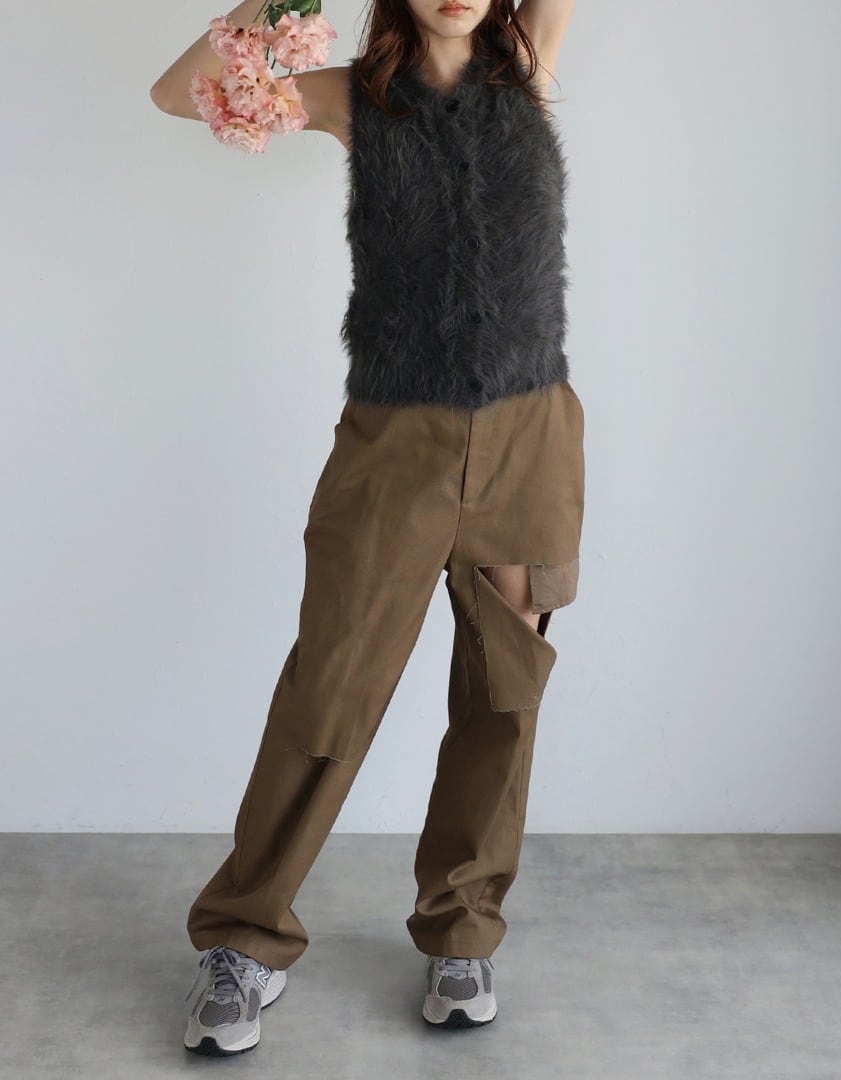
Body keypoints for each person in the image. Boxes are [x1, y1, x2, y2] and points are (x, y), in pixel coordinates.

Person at [151, 0, 582, 1056]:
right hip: (395, 440)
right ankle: (243, 939)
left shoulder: (529, 66)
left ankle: (461, 931)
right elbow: (175, 94)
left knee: (505, 693)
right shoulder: (356, 98)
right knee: (331, 683)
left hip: (529, 431)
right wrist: (276, 6)